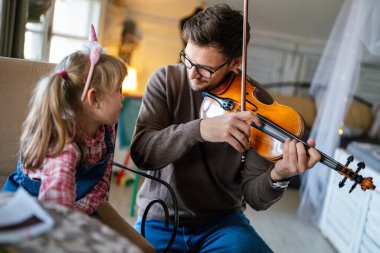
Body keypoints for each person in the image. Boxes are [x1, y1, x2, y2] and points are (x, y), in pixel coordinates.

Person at [130, 4, 321, 253]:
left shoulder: (256, 104)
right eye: (187, 59)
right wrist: (200, 130)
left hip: (221, 223)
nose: (192, 74)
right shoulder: (166, 80)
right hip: (160, 218)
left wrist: (279, 175)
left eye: (206, 69)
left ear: (235, 63)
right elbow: (142, 154)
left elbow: (254, 197)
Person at [2, 25, 127, 216]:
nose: (122, 97)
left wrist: (82, 213)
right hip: (29, 209)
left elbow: (101, 185)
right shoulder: (63, 147)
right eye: (118, 89)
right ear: (94, 99)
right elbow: (55, 211)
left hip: (74, 204)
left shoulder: (107, 129)